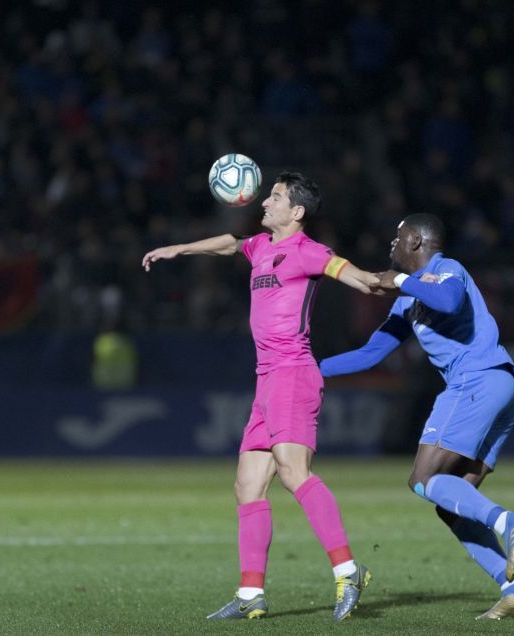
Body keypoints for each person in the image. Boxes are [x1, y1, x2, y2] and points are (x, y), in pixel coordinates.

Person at [142, 172, 383, 621]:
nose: (264, 202)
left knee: (294, 473)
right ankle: (251, 594)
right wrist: (179, 249)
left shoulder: (310, 252)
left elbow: (363, 280)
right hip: (266, 380)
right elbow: (231, 242)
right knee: (247, 486)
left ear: (297, 212)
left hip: (293, 374)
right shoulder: (260, 247)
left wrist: (406, 281)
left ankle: (349, 570)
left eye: (275, 197)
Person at [319, 213, 514, 620]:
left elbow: (450, 300)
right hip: (500, 387)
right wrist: (312, 369)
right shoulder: (408, 302)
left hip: (474, 383)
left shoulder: (446, 270)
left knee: (421, 479)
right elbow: (371, 353)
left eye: (398, 238)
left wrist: (399, 281)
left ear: (417, 242)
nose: (391, 246)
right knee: (451, 504)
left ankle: (510, 522)